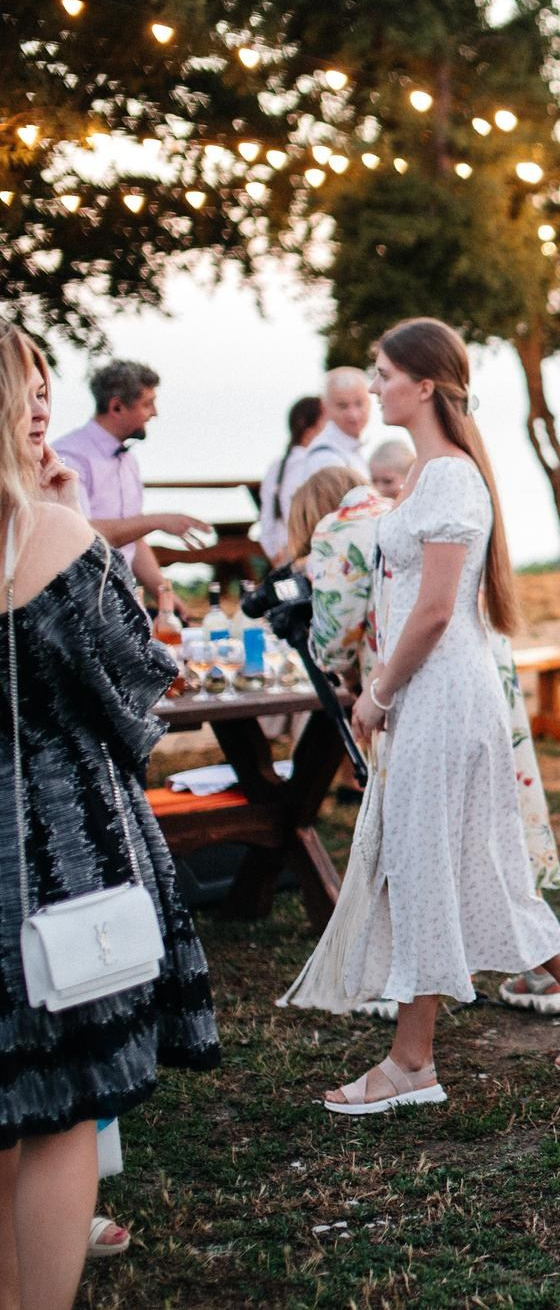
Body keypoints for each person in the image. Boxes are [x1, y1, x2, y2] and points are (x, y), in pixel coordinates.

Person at [282, 318, 560, 1110]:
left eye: (381, 372)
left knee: (426, 862)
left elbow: (437, 608)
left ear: (426, 384)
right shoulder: (430, 475)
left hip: (441, 691)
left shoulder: (447, 479)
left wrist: (374, 696)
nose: (373, 387)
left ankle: (412, 1062)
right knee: (467, 863)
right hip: (434, 691)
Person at [0, 322, 220, 1308]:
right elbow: (137, 694)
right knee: (58, 1113)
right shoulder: (48, 535)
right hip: (55, 853)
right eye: (26, 382)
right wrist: (74, 515)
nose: (42, 399)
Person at [283, 462, 560, 1020]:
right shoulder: (397, 508)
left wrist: (359, 682)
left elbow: (335, 627)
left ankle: (427, 991)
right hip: (484, 675)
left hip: (411, 687)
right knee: (490, 828)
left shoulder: (340, 529)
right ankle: (539, 978)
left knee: (418, 835)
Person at [52, 359, 211, 608]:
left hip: (124, 599)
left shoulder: (128, 461)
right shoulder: (69, 457)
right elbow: (80, 534)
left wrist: (164, 593)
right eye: (147, 404)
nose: (155, 413)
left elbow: (133, 537)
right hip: (84, 602)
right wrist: (157, 521)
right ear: (117, 407)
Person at [282, 367, 374, 509]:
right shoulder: (325, 457)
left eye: (359, 403)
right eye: (342, 406)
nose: (353, 414)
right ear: (325, 408)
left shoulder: (351, 449)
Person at [256, 395, 325, 561]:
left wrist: (274, 554)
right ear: (310, 431)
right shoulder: (312, 465)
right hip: (307, 557)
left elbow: (266, 521)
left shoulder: (277, 466)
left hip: (282, 555)